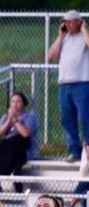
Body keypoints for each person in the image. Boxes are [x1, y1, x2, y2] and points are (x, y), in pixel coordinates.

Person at [48, 10, 89, 162]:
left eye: (70, 21)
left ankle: (88, 148)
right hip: (64, 84)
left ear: (78, 21)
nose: (67, 24)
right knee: (67, 119)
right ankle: (74, 150)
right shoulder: (64, 39)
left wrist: (84, 29)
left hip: (82, 83)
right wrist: (60, 36)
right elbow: (51, 55)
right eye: (65, 22)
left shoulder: (84, 36)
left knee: (85, 117)